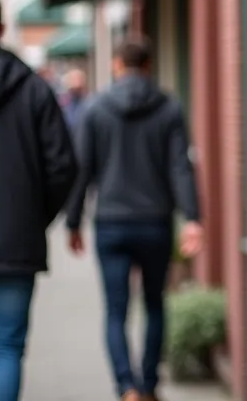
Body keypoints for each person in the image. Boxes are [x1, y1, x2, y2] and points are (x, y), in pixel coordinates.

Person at [65, 36, 203, 401]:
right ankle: (149, 384)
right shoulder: (169, 108)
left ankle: (126, 387)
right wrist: (192, 218)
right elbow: (180, 167)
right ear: (148, 66)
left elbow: (82, 170)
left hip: (110, 223)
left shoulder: (95, 109)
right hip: (155, 222)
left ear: (116, 65)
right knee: (155, 303)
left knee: (115, 310)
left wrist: (73, 221)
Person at [0, 0, 79, 401]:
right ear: (2, 29)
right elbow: (63, 166)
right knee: (4, 347)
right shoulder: (34, 89)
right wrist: (32, 216)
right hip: (14, 238)